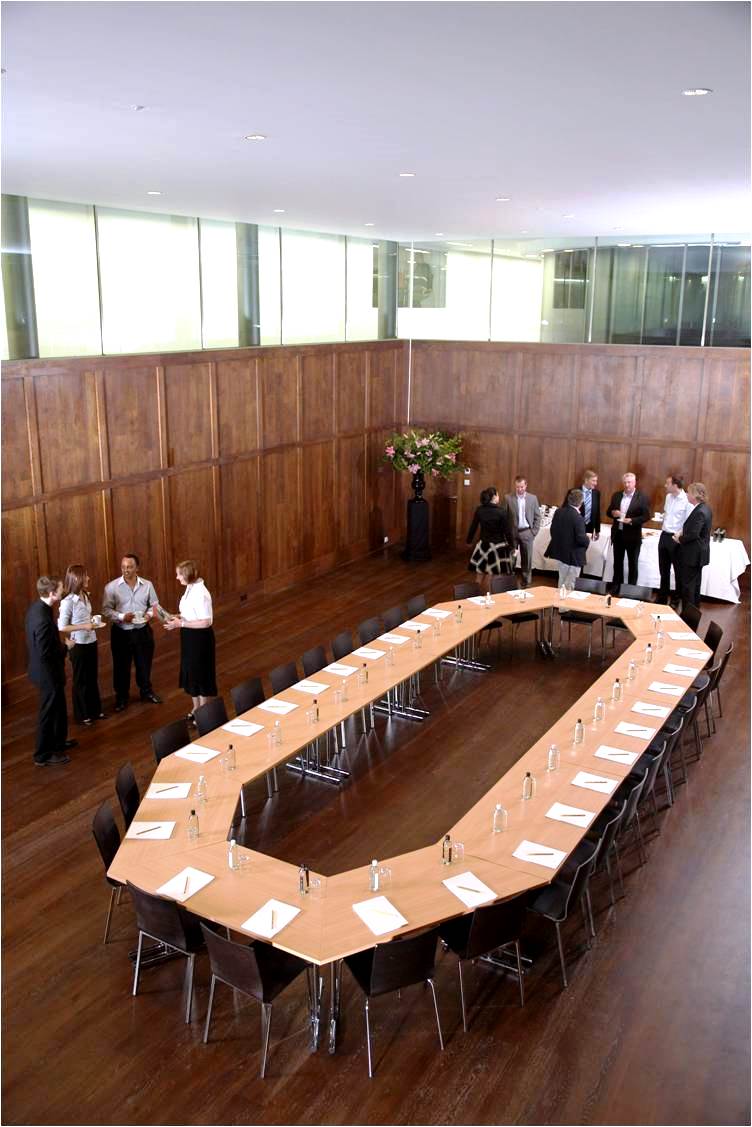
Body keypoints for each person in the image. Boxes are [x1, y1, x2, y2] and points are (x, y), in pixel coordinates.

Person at [26, 575, 77, 766]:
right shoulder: (42, 618)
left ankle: (58, 742)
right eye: (60, 589)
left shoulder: (38, 608)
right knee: (47, 712)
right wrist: (67, 647)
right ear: (51, 593)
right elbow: (46, 652)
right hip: (47, 673)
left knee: (59, 707)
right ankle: (42, 754)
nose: (63, 591)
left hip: (47, 670)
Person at [102, 554, 162, 712]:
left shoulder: (147, 585)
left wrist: (148, 615)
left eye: (129, 567)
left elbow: (154, 605)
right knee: (121, 667)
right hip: (121, 633)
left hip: (142, 631)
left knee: (144, 663)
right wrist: (122, 617)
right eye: (123, 567)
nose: (125, 570)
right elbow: (106, 610)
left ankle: (146, 692)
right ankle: (121, 697)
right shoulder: (111, 587)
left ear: (137, 568)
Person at [163, 560, 217, 721]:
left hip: (200, 639)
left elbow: (207, 621)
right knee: (191, 671)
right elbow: (190, 611)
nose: (177, 577)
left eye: (179, 574)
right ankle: (196, 707)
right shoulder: (190, 587)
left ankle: (204, 710)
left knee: (201, 672)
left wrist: (182, 623)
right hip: (189, 636)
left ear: (187, 575)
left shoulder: (202, 594)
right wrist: (177, 617)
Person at [58, 564, 106, 726]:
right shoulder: (68, 601)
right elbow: (62, 626)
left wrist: (91, 623)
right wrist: (84, 626)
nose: (88, 578)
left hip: (91, 640)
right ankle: (82, 714)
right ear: (77, 578)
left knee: (92, 677)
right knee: (80, 679)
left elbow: (85, 618)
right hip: (78, 644)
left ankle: (95, 710)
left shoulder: (85, 595)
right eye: (85, 576)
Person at [674, 482, 712, 617]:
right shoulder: (704, 508)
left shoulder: (700, 511)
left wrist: (680, 539)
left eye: (688, 492)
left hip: (693, 555)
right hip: (697, 555)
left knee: (688, 588)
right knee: (694, 587)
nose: (686, 495)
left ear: (695, 495)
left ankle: (687, 618)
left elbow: (694, 534)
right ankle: (693, 615)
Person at [607, 472, 651, 588]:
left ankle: (630, 589)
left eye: (629, 482)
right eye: (625, 482)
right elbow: (608, 511)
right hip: (618, 535)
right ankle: (616, 586)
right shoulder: (616, 495)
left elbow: (646, 516)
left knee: (633, 564)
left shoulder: (642, 497)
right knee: (617, 563)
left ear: (635, 482)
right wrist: (613, 513)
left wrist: (631, 520)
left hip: (633, 536)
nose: (627, 485)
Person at [466, 486, 512, 591]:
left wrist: (468, 541)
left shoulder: (480, 510)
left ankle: (475, 596)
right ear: (494, 497)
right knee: (493, 576)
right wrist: (512, 546)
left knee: (479, 575)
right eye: (498, 494)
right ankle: (490, 599)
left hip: (483, 545)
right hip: (497, 547)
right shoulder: (502, 512)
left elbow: (473, 527)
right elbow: (507, 532)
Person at [545, 489, 590, 588]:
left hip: (561, 553)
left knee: (562, 580)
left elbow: (553, 530)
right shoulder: (578, 518)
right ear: (581, 502)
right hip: (574, 556)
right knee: (570, 584)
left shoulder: (559, 512)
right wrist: (588, 540)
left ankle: (558, 601)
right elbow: (581, 539)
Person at [656, 475, 690, 605]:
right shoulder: (668, 497)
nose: (665, 485)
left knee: (678, 571)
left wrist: (679, 536)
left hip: (676, 538)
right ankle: (662, 597)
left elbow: (687, 521)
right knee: (663, 570)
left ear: (675, 485)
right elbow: (667, 514)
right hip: (664, 535)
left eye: (667, 483)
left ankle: (676, 599)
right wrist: (662, 517)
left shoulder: (686, 499)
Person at [504, 476, 541, 588]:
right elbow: (504, 517)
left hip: (527, 532)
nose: (519, 489)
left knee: (527, 558)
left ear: (526, 485)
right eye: (517, 487)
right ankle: (509, 581)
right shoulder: (508, 498)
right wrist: (506, 533)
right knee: (511, 558)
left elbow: (537, 517)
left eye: (522, 487)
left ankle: (526, 582)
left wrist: (533, 532)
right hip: (512, 533)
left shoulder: (532, 498)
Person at [564, 469, 601, 539]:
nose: (596, 483)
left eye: (596, 481)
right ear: (586, 480)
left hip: (590, 528)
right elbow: (565, 509)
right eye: (593, 481)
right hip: (574, 527)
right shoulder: (573, 491)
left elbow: (597, 512)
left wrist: (597, 530)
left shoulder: (596, 493)